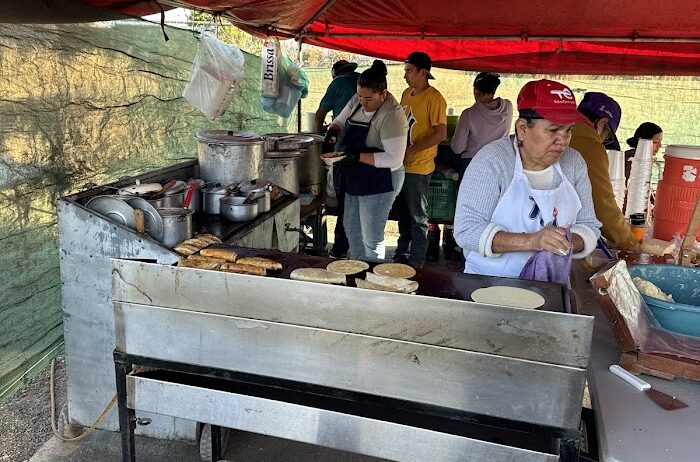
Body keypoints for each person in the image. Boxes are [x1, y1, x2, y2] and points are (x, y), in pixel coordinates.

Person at [454, 79, 601, 278]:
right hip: (488, 282)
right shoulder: (493, 161)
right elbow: (467, 230)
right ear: (523, 129)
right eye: (553, 130)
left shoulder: (573, 163)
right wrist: (533, 241)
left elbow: (589, 225)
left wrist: (564, 242)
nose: (562, 141)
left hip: (550, 284)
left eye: (568, 130)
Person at [324, 60, 407, 261]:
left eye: (368, 99)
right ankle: (356, 271)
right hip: (356, 174)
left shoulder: (392, 115)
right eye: (360, 96)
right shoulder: (358, 98)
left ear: (383, 94)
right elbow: (340, 120)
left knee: (371, 237)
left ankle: (371, 279)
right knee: (352, 228)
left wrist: (356, 157)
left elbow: (394, 159)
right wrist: (333, 132)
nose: (363, 102)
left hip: (381, 179)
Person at [394, 51, 447, 267]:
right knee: (403, 215)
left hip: (419, 167)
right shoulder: (406, 93)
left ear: (422, 72)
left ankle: (417, 262)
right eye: (405, 71)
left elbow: (440, 133)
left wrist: (412, 150)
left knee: (418, 218)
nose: (405, 76)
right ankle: (401, 253)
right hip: (401, 164)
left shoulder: (435, 98)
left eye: (409, 71)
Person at [569, 92, 639, 250]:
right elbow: (602, 204)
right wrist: (630, 242)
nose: (602, 141)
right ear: (601, 124)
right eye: (607, 137)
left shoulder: (558, 132)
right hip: (567, 237)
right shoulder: (591, 146)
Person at [315, 60, 360, 258]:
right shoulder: (363, 81)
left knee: (344, 203)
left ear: (336, 73)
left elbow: (320, 113)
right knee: (357, 204)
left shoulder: (338, 83)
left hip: (342, 153)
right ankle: (359, 251)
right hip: (364, 152)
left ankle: (340, 249)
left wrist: (318, 136)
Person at [450, 72, 513, 177]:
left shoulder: (468, 114)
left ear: (476, 91)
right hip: (499, 161)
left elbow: (457, 148)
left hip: (473, 163)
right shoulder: (508, 106)